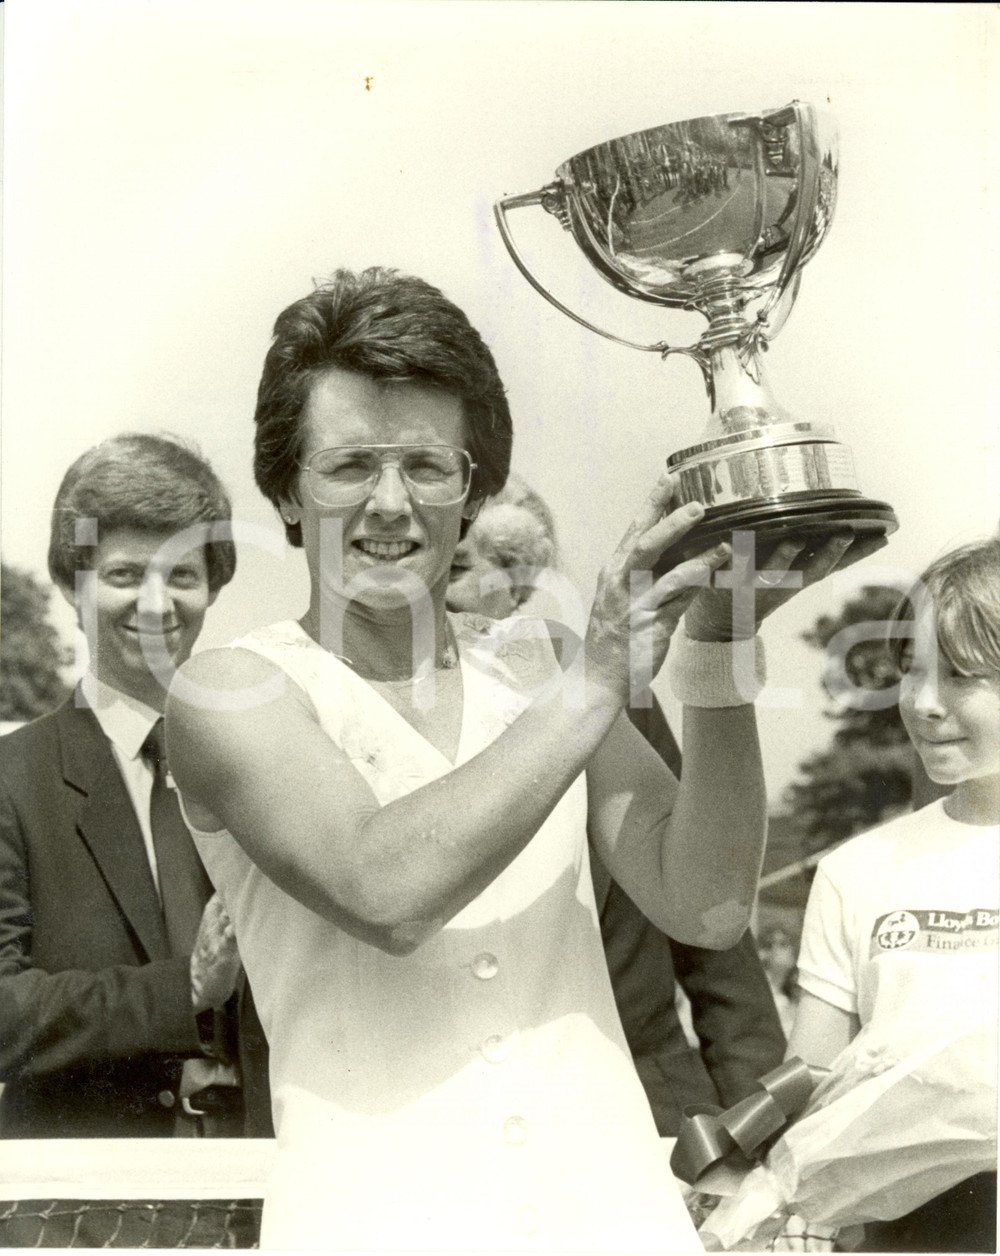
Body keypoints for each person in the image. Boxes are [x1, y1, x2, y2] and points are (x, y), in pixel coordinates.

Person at [165, 266, 873, 1252]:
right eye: (349, 465)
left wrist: (713, 649)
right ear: (286, 486)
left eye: (428, 465)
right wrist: (598, 675)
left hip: (615, 1216)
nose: (389, 504)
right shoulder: (227, 691)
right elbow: (384, 886)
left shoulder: (539, 661)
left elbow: (705, 902)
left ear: (473, 486)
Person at [447, 478, 787, 1136]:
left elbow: (716, 947)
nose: (460, 587)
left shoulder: (614, 702)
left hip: (642, 1098)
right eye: (449, 563)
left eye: (485, 566)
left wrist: (764, 1122)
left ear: (527, 583)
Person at [0, 433, 245, 1141]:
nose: (156, 602)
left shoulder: (254, 771)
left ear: (213, 588)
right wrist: (184, 989)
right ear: (72, 586)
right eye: (125, 574)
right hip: (84, 1212)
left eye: (183, 575)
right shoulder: (13, 781)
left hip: (261, 1200)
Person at [787, 535, 1000, 1253]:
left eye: (963, 675)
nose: (926, 705)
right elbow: (814, 1083)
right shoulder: (858, 869)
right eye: (913, 673)